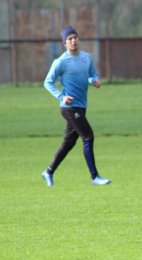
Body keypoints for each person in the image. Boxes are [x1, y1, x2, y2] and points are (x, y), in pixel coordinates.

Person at [41, 26, 111, 187]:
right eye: (69, 39)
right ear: (64, 43)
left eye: (75, 38)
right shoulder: (60, 62)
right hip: (69, 108)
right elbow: (47, 82)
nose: (73, 41)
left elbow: (92, 74)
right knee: (88, 136)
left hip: (81, 107)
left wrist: (94, 81)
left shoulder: (87, 58)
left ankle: (48, 171)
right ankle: (95, 177)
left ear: (79, 40)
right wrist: (61, 96)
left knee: (69, 143)